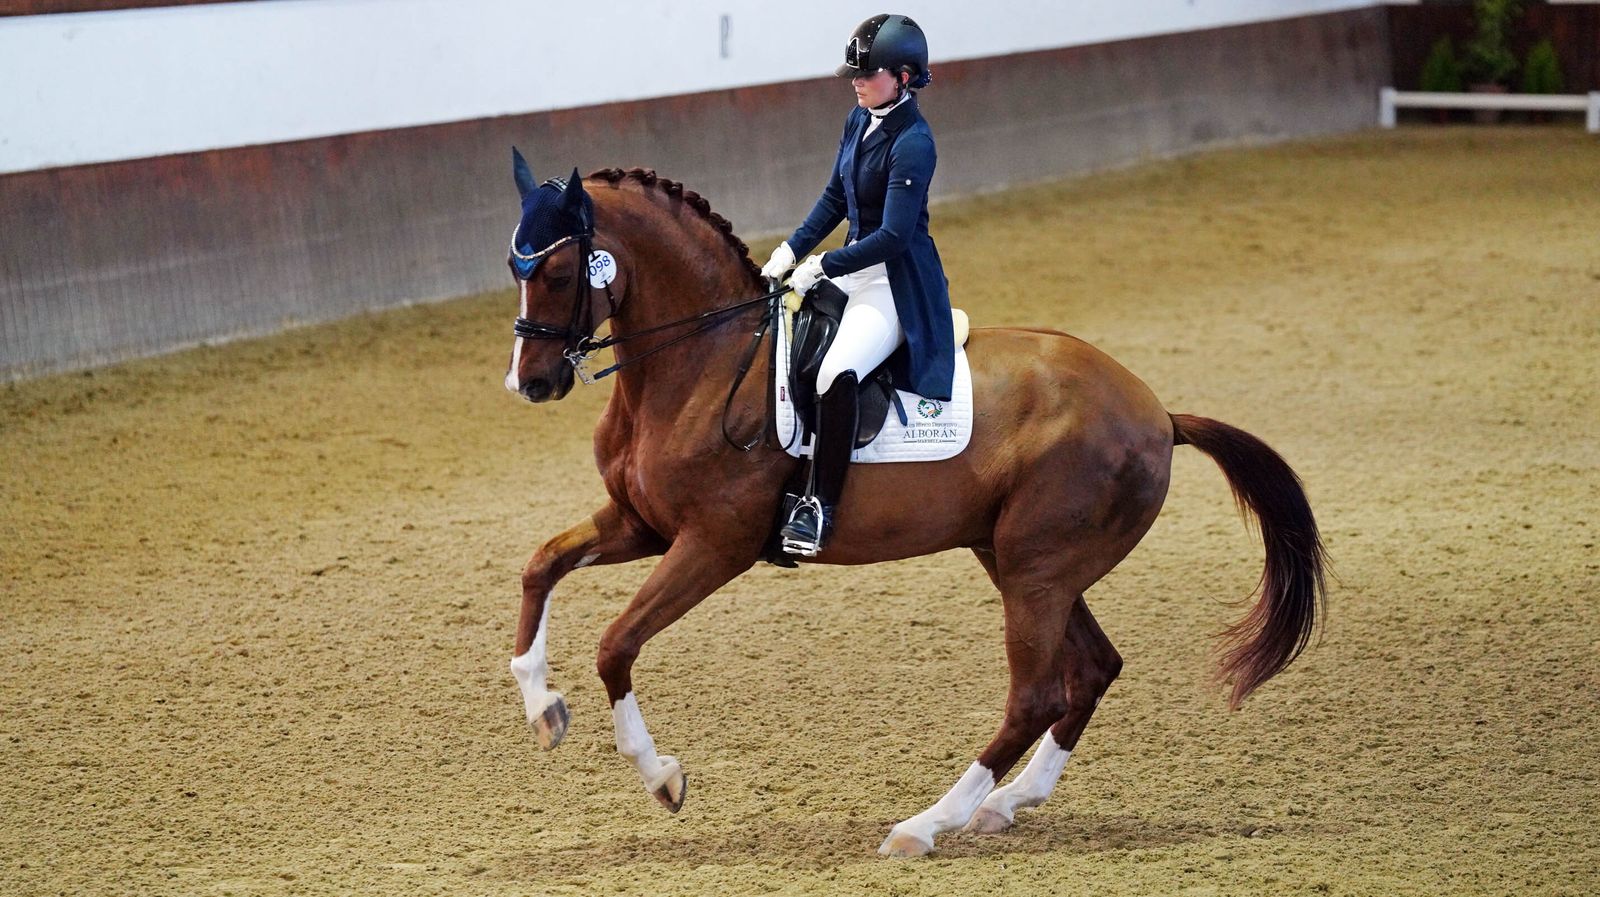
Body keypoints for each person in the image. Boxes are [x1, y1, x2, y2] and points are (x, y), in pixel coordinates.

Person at [762, 13, 955, 557]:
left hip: (893, 283)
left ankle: (820, 507)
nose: (856, 80)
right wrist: (791, 249)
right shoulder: (858, 118)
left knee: (834, 372)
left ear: (904, 76)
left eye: (868, 74)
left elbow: (894, 236)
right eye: (856, 73)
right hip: (851, 267)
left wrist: (824, 266)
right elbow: (834, 198)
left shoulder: (914, 142)